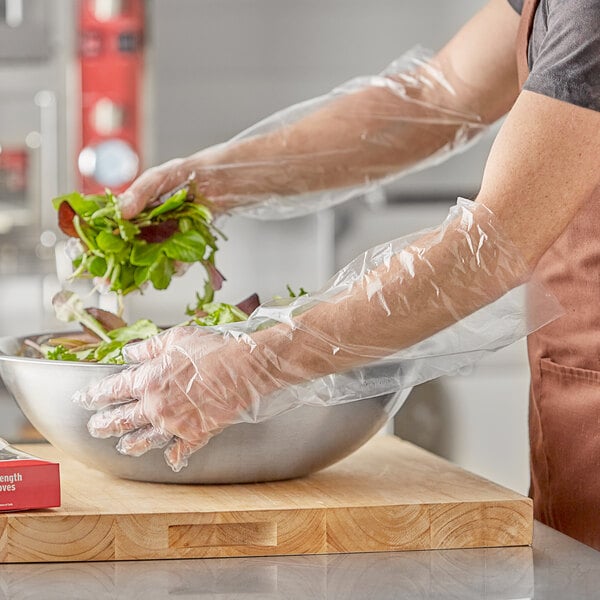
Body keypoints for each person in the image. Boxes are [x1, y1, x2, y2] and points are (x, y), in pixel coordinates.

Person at [77, 0, 600, 549]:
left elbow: (491, 245)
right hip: (574, 390)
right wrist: (216, 179)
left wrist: (254, 363)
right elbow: (435, 95)